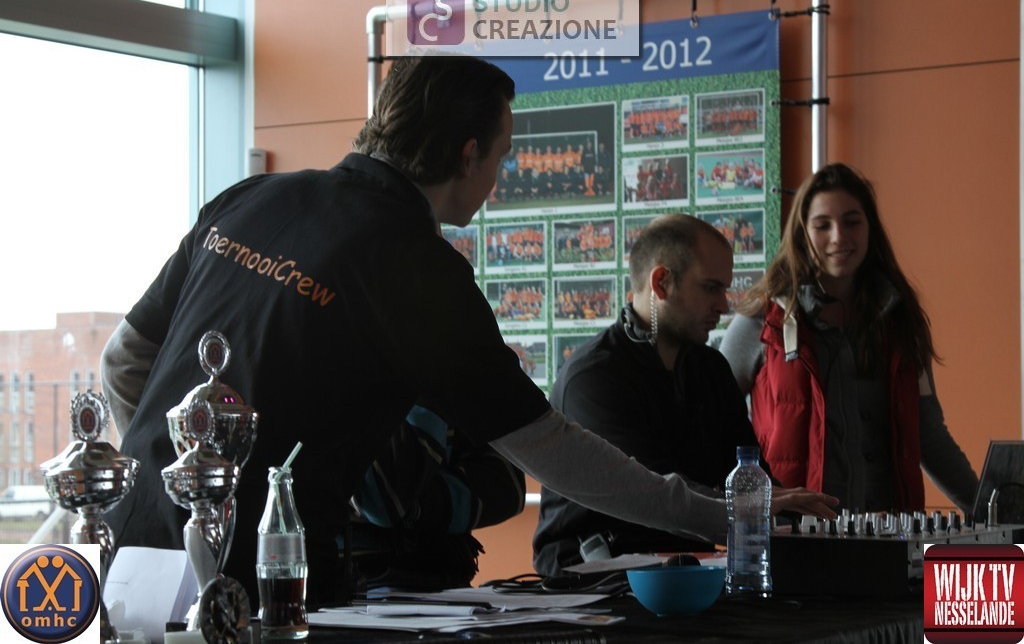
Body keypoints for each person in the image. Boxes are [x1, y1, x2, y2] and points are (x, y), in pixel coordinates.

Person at [100, 55, 835, 608]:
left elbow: (124, 361)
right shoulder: (415, 266)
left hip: (131, 554)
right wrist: (729, 513)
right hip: (265, 581)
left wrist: (183, 484)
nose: (498, 179)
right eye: (502, 155)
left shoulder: (254, 196)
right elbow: (552, 449)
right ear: (466, 153)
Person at [719, 162, 978, 514]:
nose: (839, 237)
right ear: (802, 233)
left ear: (871, 228)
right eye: (822, 225)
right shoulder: (761, 321)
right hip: (792, 537)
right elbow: (713, 423)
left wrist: (993, 510)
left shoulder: (901, 321)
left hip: (889, 536)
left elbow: (928, 435)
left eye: (852, 221)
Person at [533, 214, 766, 576]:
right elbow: (652, 495)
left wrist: (791, 511)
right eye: (711, 288)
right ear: (661, 283)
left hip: (689, 576)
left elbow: (749, 473)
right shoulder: (593, 377)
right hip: (593, 586)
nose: (724, 304)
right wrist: (758, 510)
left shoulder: (711, 370)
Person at [346, 405, 524, 591]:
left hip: (444, 581)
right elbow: (382, 499)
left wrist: (412, 505)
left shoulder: (458, 389)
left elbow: (508, 488)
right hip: (355, 582)